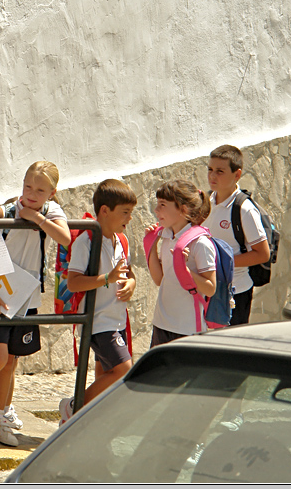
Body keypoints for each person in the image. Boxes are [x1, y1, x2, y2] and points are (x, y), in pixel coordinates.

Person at [0, 161, 72, 447]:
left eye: (40, 190)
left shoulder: (50, 211)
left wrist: (38, 219)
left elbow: (66, 238)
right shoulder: (9, 209)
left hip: (25, 296)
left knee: (10, 361)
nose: (32, 193)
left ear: (52, 193)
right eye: (27, 186)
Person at [59, 178, 138, 423]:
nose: (130, 218)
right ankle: (74, 407)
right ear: (105, 211)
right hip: (98, 322)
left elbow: (128, 273)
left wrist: (130, 284)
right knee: (124, 369)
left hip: (115, 321)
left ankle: (86, 420)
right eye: (125, 212)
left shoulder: (120, 240)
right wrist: (107, 278)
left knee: (106, 375)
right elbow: (74, 282)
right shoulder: (86, 241)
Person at [203, 145, 271, 326]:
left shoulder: (245, 210)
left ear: (237, 174)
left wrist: (223, 262)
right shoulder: (205, 201)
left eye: (219, 171)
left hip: (236, 293)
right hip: (208, 289)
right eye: (210, 169)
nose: (212, 176)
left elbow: (263, 254)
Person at [145, 180, 217, 348]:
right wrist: (150, 248)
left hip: (187, 329)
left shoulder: (201, 243)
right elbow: (159, 280)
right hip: (162, 323)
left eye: (162, 205)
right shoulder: (167, 237)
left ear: (183, 210)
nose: (156, 210)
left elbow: (210, 288)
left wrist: (185, 271)